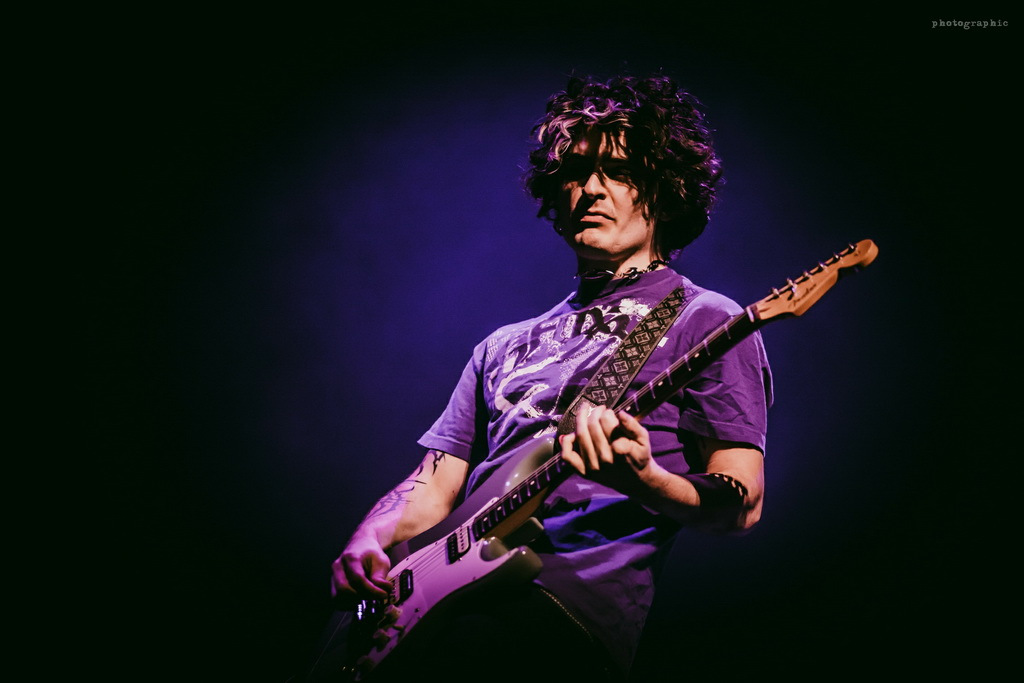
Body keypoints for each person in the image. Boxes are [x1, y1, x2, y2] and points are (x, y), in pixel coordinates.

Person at [301, 72, 772, 683]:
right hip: (434, 598)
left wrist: (645, 478)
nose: (591, 189)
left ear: (666, 191)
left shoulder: (706, 320)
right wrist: (368, 540)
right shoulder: (501, 344)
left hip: (552, 611)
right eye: (575, 172)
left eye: (619, 171)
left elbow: (741, 504)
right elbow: (433, 484)